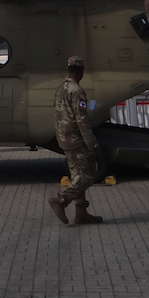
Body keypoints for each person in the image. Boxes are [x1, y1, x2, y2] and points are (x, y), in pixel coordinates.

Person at [47, 57, 103, 225]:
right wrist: (93, 144)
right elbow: (82, 121)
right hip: (76, 139)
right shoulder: (77, 91)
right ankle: (61, 199)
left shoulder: (60, 88)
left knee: (76, 175)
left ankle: (81, 212)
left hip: (64, 138)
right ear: (80, 71)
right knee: (88, 174)